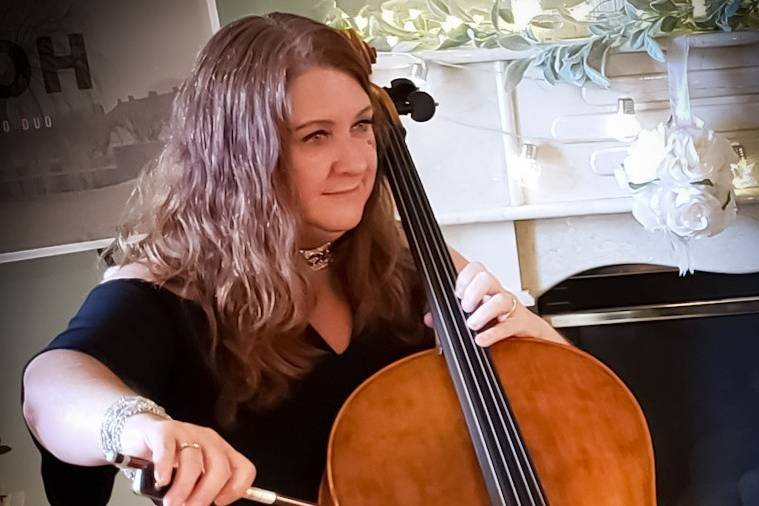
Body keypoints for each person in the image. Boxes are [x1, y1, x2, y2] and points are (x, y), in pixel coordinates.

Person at [21, 12, 567, 506]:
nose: (354, 162)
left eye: (360, 126)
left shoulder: (410, 257)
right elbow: (50, 388)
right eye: (315, 137)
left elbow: (575, 416)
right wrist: (130, 423)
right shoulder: (170, 287)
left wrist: (532, 336)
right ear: (240, 155)